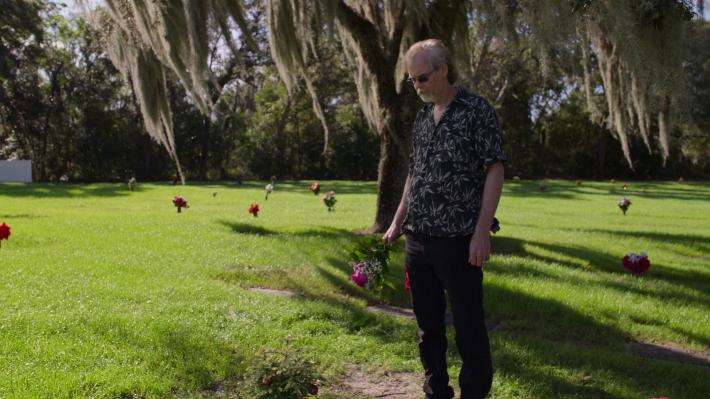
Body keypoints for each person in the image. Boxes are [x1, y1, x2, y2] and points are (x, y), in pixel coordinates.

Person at [383, 39, 505, 399]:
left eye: (422, 78)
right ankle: (436, 390)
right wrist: (395, 222)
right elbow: (414, 174)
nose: (417, 86)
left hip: (459, 240)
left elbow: (494, 170)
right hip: (418, 239)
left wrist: (482, 232)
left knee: (468, 326)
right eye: (412, 80)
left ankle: (474, 394)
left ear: (443, 70)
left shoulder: (476, 110)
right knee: (427, 326)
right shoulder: (422, 118)